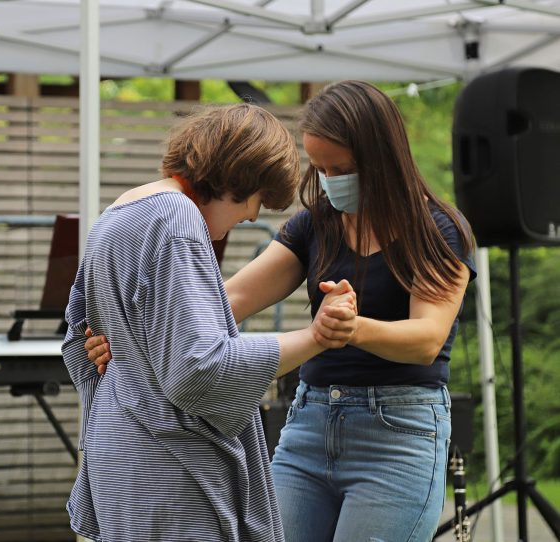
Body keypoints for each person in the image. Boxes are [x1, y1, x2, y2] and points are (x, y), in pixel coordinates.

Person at [86, 81, 477, 542]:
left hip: (398, 434)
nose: (330, 180)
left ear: (383, 158)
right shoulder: (315, 223)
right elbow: (221, 303)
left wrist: (349, 328)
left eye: (343, 168)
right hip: (310, 423)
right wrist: (131, 335)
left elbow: (427, 341)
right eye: (322, 168)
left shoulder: (439, 231)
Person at [62, 103, 359, 542]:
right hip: (166, 467)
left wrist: (120, 356)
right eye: (257, 201)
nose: (253, 217)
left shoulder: (116, 214)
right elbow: (199, 370)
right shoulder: (178, 220)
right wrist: (315, 336)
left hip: (118, 456)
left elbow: (80, 340)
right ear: (242, 176)